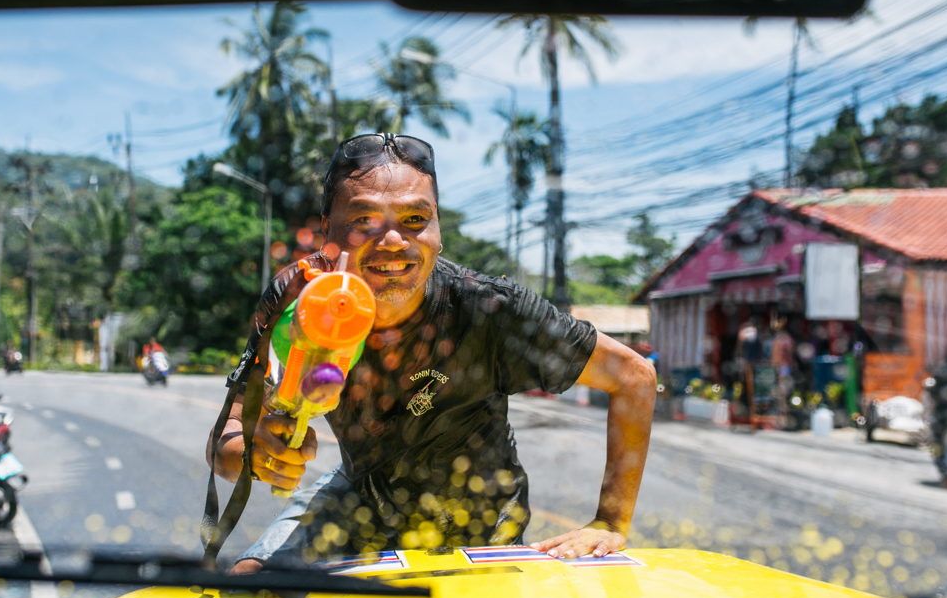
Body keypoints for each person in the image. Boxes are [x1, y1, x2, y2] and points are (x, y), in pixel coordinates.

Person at [205, 133, 656, 573]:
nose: (394, 242)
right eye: (364, 221)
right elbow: (225, 437)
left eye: (415, 220)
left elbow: (634, 377)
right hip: (360, 500)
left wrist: (610, 522)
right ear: (327, 231)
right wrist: (253, 454)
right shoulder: (297, 297)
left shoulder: (489, 308)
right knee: (250, 579)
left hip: (478, 530)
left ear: (438, 228)